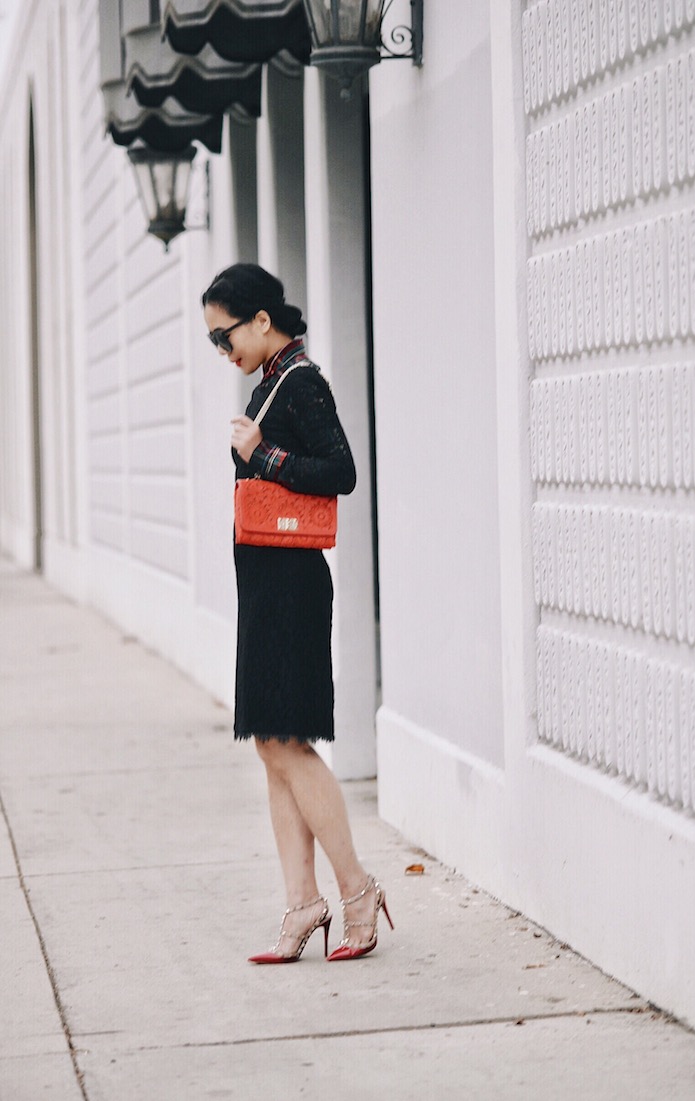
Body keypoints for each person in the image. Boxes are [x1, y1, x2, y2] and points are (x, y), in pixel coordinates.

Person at [202, 263, 393, 963]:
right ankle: (301, 903)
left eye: (224, 334)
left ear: (260, 319)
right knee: (268, 741)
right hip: (265, 587)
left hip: (292, 590)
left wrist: (264, 452)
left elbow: (338, 470)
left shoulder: (301, 381)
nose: (222, 350)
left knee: (290, 742)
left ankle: (355, 889)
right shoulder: (267, 385)